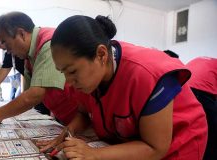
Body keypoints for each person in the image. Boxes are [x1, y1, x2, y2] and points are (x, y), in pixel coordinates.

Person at [38, 15, 207, 159]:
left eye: (72, 71)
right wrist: (69, 131)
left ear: (101, 55)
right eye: (63, 73)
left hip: (177, 144)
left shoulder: (145, 74)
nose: (68, 82)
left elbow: (155, 148)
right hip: (132, 141)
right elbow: (84, 113)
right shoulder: (87, 79)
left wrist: (94, 154)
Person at [0, 11, 78, 133]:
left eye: (4, 42)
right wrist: (1, 114)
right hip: (66, 117)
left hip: (79, 117)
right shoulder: (28, 56)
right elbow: (27, 94)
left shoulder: (48, 43)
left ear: (21, 34)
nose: (4, 48)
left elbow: (34, 95)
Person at [0, 23, 50, 115]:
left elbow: (35, 90)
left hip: (43, 92)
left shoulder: (41, 45)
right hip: (35, 90)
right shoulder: (10, 53)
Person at [186, 57, 217, 160]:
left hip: (181, 88)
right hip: (201, 92)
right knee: (212, 131)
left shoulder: (202, 59)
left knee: (189, 128)